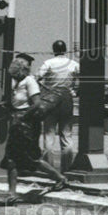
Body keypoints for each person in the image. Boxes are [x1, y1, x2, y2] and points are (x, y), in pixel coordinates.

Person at [0, 53, 66, 204]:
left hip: (27, 125)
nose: (13, 74)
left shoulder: (30, 82)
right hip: (17, 124)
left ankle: (60, 178)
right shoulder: (16, 83)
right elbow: (17, 103)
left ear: (21, 70)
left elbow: (36, 103)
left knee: (32, 158)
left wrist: (23, 115)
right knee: (11, 158)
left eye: (15, 71)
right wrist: (9, 107)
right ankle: (11, 193)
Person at [36, 40, 79, 171]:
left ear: (53, 50)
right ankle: (66, 168)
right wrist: (74, 89)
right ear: (65, 50)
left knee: (49, 135)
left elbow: (37, 77)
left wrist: (44, 87)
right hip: (66, 99)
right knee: (66, 135)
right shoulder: (73, 64)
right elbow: (84, 78)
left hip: (50, 99)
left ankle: (49, 167)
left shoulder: (48, 63)